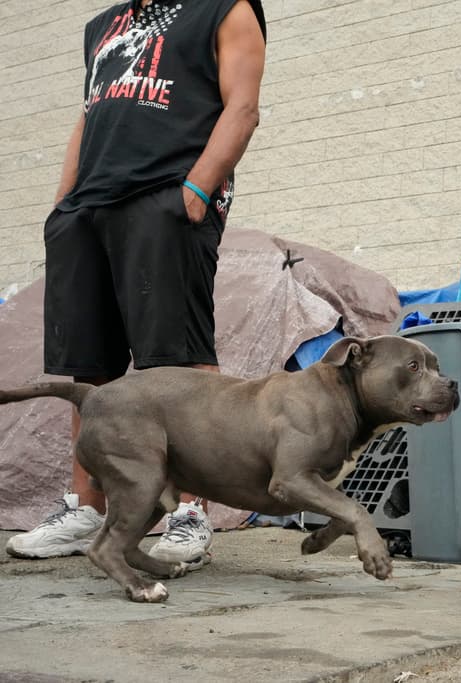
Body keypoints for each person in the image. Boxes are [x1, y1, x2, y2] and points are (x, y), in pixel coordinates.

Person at [5, 0, 267, 570]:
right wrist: (63, 207)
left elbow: (242, 108)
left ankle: (190, 513)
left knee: (177, 360)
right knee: (89, 367)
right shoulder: (102, 26)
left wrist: (195, 192)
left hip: (166, 198)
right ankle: (86, 510)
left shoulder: (225, 8)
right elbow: (89, 116)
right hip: (88, 210)